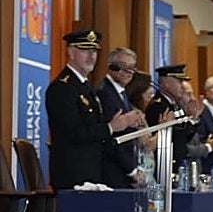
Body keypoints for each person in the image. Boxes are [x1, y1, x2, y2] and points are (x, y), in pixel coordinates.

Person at [46, 29, 143, 190]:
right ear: (71, 52)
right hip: (74, 174)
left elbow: (95, 126)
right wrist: (111, 127)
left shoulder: (86, 86)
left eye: (94, 51)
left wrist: (120, 124)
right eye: (85, 50)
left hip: (92, 173)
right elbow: (73, 133)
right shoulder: (63, 87)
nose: (91, 56)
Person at [95, 46, 143, 189]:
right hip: (113, 171)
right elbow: (113, 139)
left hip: (123, 170)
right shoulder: (105, 93)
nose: (128, 72)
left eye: (132, 67)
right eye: (123, 66)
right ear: (111, 66)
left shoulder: (121, 92)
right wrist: (132, 170)